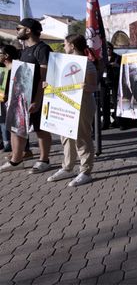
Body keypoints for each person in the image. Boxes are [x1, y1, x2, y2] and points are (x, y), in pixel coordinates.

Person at [0, 19, 53, 173]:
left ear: (28, 30)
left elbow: (44, 78)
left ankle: (44, 160)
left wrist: (37, 100)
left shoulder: (43, 49)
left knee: (40, 129)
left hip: (37, 98)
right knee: (16, 128)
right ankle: (16, 160)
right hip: (20, 98)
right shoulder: (23, 51)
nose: (17, 31)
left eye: (19, 28)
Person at [46, 34, 97, 186]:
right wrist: (48, 86)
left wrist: (86, 87)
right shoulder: (62, 63)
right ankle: (68, 168)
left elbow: (94, 86)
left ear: (72, 46)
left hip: (82, 104)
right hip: (65, 104)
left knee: (82, 137)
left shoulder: (87, 64)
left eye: (65, 44)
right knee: (66, 136)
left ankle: (85, 171)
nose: (64, 47)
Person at [0, 45, 19, 155]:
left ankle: (21, 151)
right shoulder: (2, 69)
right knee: (5, 124)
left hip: (14, 104)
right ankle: (11, 148)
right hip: (3, 103)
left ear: (6, 56)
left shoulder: (16, 69)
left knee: (16, 128)